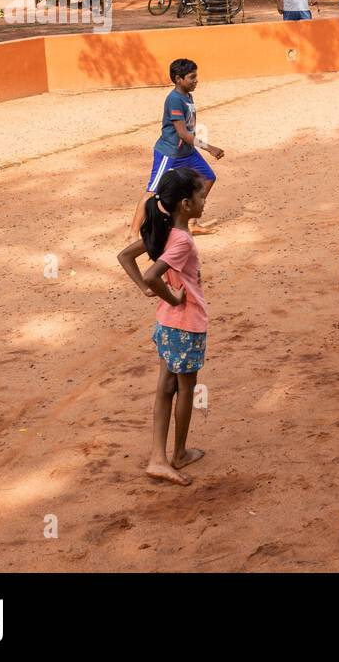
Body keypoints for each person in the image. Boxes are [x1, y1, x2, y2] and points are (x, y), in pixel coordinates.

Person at [116, 167, 210, 486]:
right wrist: (171, 297)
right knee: (185, 388)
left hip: (168, 325)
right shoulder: (181, 239)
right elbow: (151, 275)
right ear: (185, 204)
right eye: (200, 195)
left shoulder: (163, 227)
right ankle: (177, 453)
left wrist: (153, 294)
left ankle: (159, 457)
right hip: (185, 322)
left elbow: (125, 257)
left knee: (165, 386)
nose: (204, 200)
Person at [128, 58, 224, 239]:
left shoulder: (188, 95)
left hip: (187, 151)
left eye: (196, 76)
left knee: (208, 178)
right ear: (178, 79)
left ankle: (191, 223)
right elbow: (182, 133)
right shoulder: (173, 100)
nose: (196, 80)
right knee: (153, 191)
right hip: (170, 153)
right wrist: (209, 147)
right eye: (192, 77)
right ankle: (133, 234)